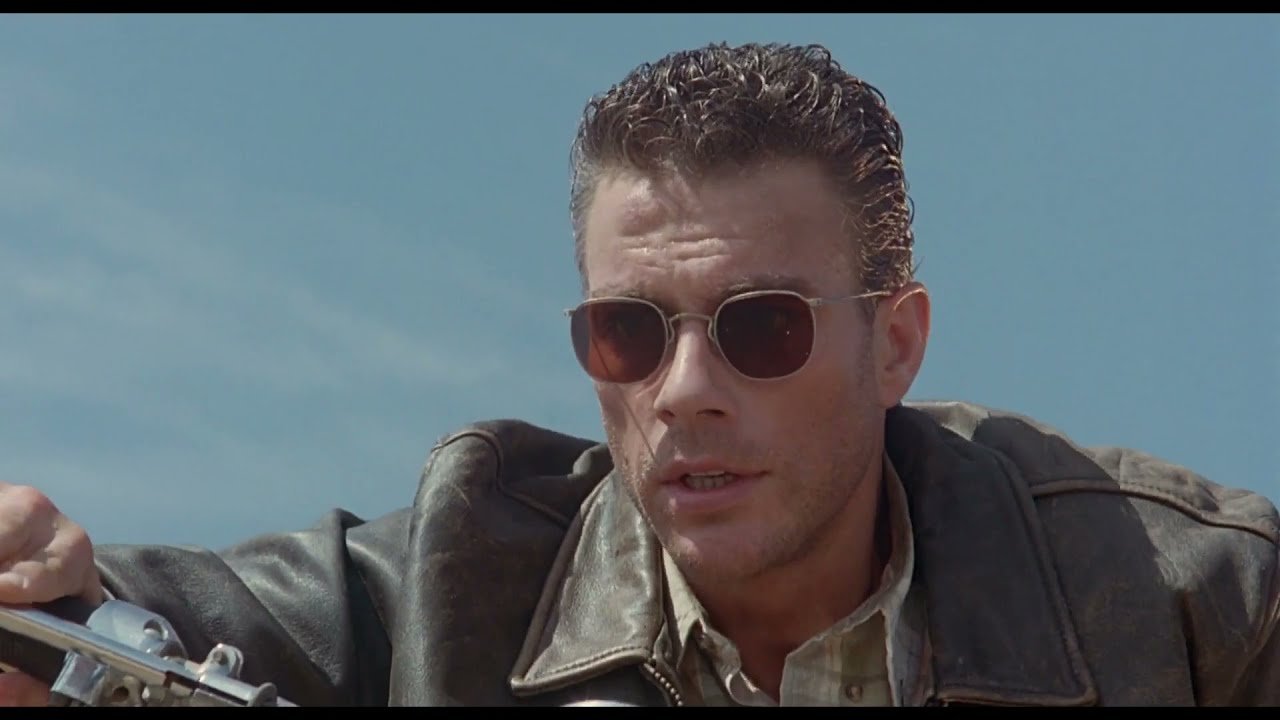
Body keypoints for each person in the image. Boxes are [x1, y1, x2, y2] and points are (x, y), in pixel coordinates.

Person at [0, 41, 1276, 708]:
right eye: (627, 331)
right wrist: (48, 591)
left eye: (758, 328)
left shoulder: (1197, 604)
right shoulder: (450, 581)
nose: (682, 389)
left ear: (895, 345)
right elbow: (128, 619)